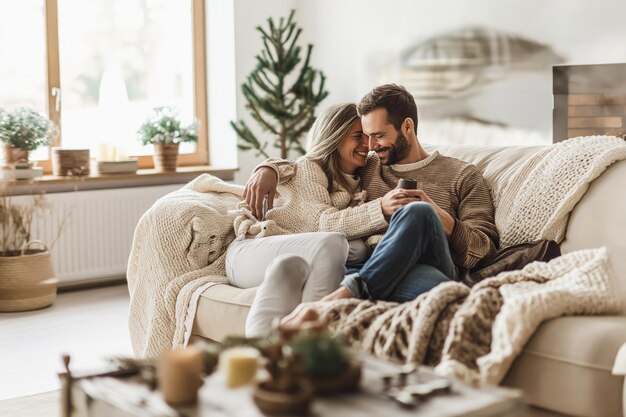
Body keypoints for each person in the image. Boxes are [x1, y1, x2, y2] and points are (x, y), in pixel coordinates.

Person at [246, 84, 499, 306]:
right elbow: (315, 162)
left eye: (378, 136)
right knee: (443, 292)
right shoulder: (366, 164)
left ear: (407, 126)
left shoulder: (462, 175)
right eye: (366, 136)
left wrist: (439, 217)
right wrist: (270, 168)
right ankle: (359, 290)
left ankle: (346, 294)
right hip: (368, 267)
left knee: (418, 212)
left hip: (427, 260)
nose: (370, 145)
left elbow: (484, 251)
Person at [227, 103, 388, 337]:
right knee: (332, 243)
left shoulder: (358, 181)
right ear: (335, 136)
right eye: (358, 136)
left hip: (286, 257)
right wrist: (381, 209)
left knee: (293, 266)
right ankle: (312, 340)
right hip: (247, 252)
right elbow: (324, 225)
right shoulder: (311, 169)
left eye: (369, 136)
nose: (368, 144)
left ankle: (268, 355)